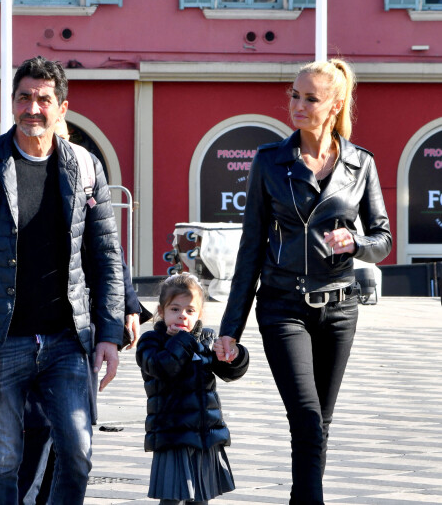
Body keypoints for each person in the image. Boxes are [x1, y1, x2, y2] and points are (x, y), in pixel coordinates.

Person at [0, 55, 125, 504]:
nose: (32, 108)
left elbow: (106, 256)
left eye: (43, 99)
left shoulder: (86, 167)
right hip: (0, 341)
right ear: (13, 101)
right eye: (24, 97)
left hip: (66, 341)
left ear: (62, 107)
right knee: (2, 460)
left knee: (77, 453)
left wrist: (110, 333)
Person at [217, 59, 392, 505]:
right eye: (294, 95)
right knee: (308, 419)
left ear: (333, 106)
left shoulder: (360, 164)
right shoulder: (269, 162)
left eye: (309, 98)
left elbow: (383, 240)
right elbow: (250, 250)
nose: (297, 104)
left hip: (340, 308)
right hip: (282, 307)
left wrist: (354, 242)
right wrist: (230, 330)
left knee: (320, 424)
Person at [17, 118, 151, 504]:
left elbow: (110, 253)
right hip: (30, 326)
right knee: (36, 426)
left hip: (81, 328)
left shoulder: (84, 174)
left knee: (73, 428)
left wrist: (127, 305)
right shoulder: (18, 176)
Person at [136, 273, 249, 505]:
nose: (182, 316)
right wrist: (184, 340)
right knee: (171, 497)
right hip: (172, 434)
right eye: (175, 309)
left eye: (189, 311)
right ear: (161, 310)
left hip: (203, 433)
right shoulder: (151, 341)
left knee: (200, 498)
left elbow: (229, 372)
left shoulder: (206, 339)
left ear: (199, 314)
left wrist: (235, 357)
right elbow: (163, 367)